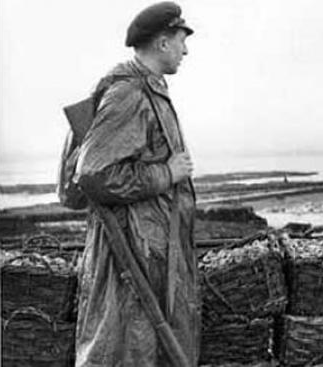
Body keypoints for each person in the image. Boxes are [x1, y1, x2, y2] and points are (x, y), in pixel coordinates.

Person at [57, 2, 199, 366]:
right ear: (163, 43)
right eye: (182, 40)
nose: (186, 50)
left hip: (147, 254)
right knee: (127, 353)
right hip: (131, 258)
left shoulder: (148, 89)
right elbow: (93, 174)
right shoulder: (129, 93)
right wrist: (167, 173)